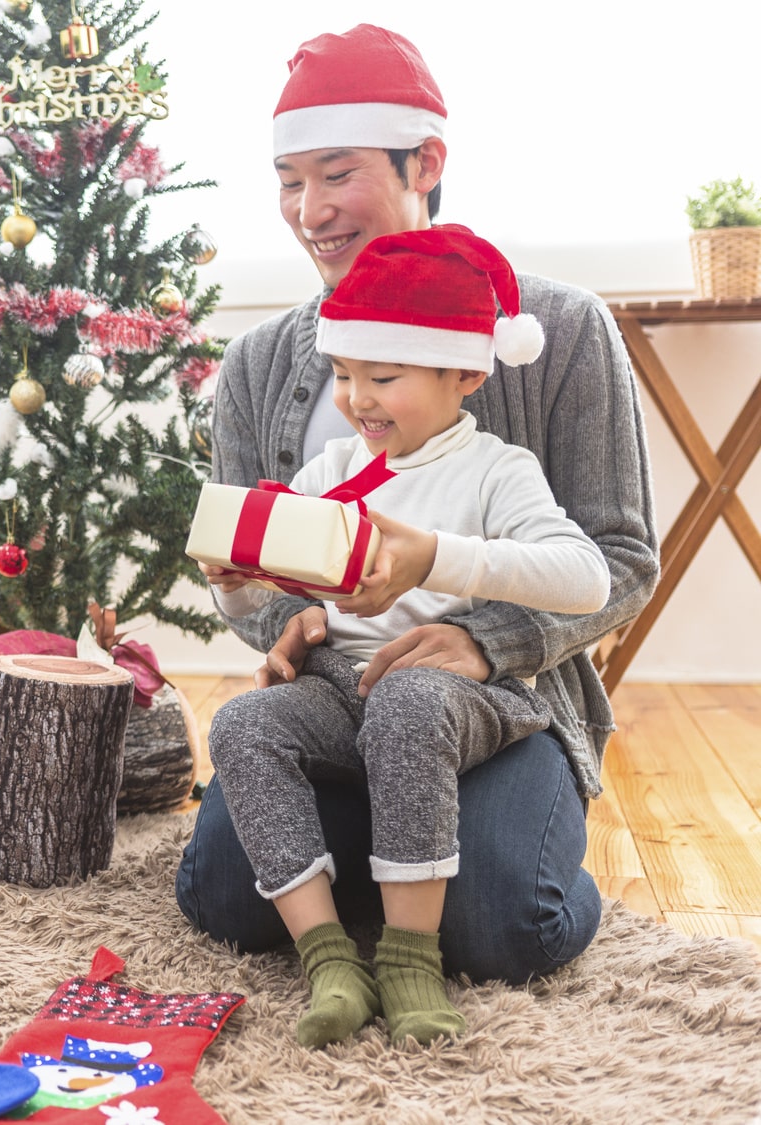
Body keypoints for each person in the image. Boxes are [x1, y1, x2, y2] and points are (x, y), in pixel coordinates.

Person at [177, 24, 659, 985]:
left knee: (502, 930)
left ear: (425, 161)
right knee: (221, 901)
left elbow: (620, 560)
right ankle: (383, 865)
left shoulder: (556, 333)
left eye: (337, 173)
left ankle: (475, 856)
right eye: (287, 180)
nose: (308, 210)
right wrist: (273, 611)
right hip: (331, 696)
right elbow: (261, 570)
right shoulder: (257, 363)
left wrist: (484, 641)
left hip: (492, 703)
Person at [203, 226, 610, 1046]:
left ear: (464, 371)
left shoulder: (498, 470)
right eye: (344, 373)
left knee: (410, 702)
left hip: (464, 695)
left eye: (383, 376)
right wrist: (256, 586)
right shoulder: (331, 472)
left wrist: (438, 559)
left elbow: (589, 576)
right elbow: (289, 575)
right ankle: (329, 957)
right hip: (338, 688)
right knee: (241, 725)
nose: (356, 398)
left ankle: (409, 959)